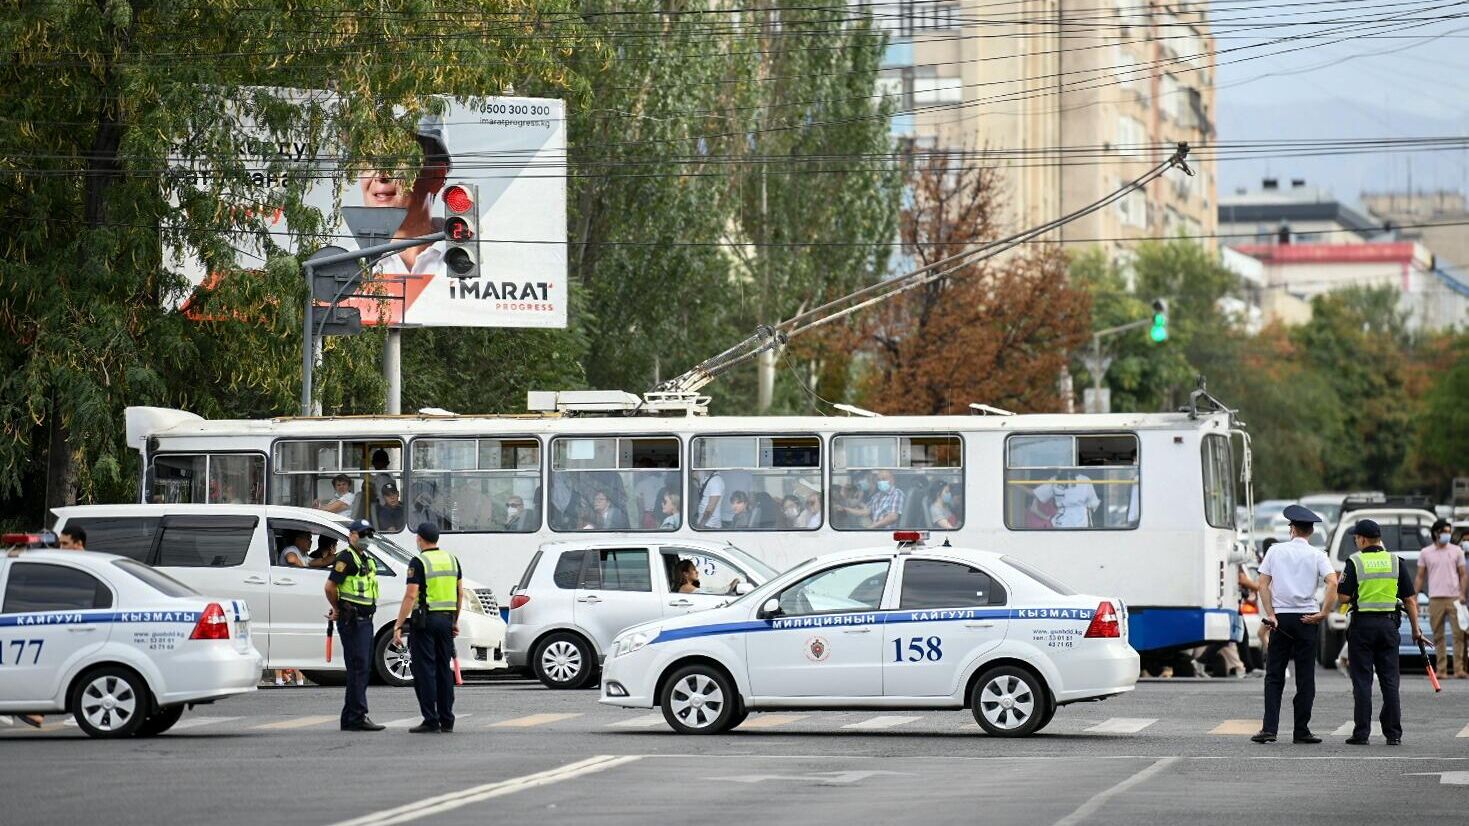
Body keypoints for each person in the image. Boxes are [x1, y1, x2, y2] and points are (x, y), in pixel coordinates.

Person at [1252, 504, 1339, 745]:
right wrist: (1324, 612)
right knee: (1305, 676)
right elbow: (1332, 583)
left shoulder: (1275, 551)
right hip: (1307, 618)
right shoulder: (1318, 555)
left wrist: (1271, 614)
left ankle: (1269, 728)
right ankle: (1301, 730)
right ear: (1310, 531)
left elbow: (1262, 585)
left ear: (1291, 529)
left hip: (1281, 618)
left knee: (1274, 675)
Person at [1337, 518, 1425, 745]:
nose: (1356, 541)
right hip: (1388, 627)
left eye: (1356, 537)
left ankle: (1362, 733)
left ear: (1363, 539)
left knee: (1363, 681)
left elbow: (1344, 598)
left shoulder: (1355, 562)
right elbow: (1410, 600)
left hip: (1362, 627)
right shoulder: (1395, 562)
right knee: (1390, 681)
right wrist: (1416, 630)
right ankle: (1393, 734)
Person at [392, 522, 462, 733]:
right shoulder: (452, 560)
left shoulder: (419, 561)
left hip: (425, 621)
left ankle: (431, 720)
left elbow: (411, 594)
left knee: (425, 671)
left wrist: (398, 624)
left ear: (420, 539)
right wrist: (455, 621)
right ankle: (447, 719)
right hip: (446, 621)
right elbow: (460, 593)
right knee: (443, 669)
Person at [325, 519, 384, 732]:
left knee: (361, 669)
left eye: (369, 534)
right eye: (362, 534)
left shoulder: (365, 559)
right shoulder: (346, 558)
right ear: (351, 535)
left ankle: (350, 717)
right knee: (359, 669)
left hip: (365, 621)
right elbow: (330, 587)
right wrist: (337, 608)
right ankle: (357, 716)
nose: (366, 538)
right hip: (353, 621)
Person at [1416, 518, 1467, 679]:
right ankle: (1442, 670)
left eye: (1448, 531)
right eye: (1444, 531)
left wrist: (1462, 594)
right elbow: (1420, 576)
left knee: (1458, 634)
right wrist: (1414, 596)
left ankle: (1459, 669)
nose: (1447, 534)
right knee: (1438, 636)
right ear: (1436, 533)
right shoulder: (1426, 552)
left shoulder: (1456, 551)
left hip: (1454, 598)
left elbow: (1463, 574)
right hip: (1435, 598)